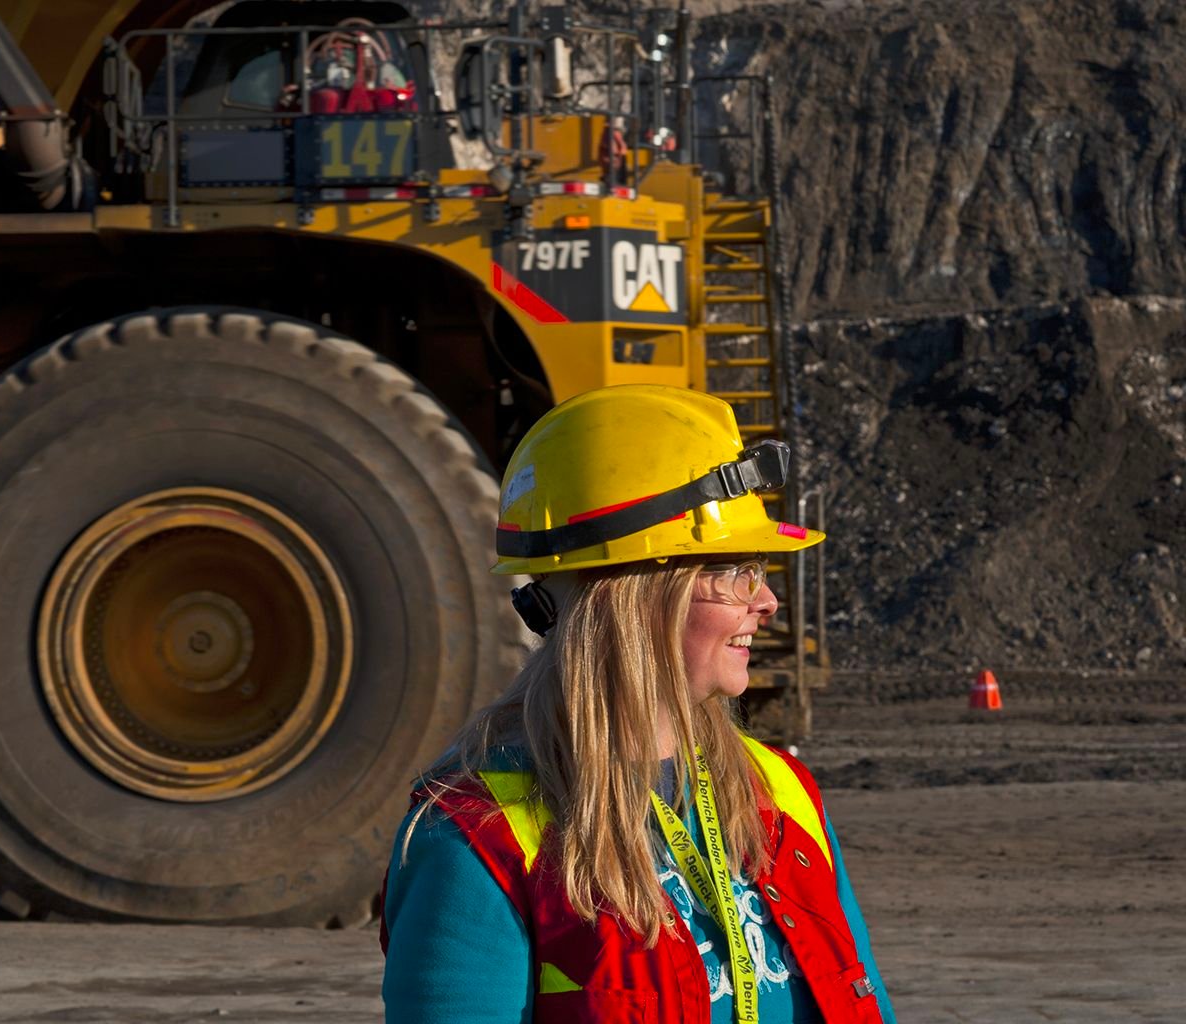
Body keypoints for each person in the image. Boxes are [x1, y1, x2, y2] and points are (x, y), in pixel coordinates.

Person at [380, 385, 895, 1023]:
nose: (765, 603)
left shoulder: (783, 794)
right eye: (733, 569)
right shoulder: (476, 837)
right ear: (639, 594)